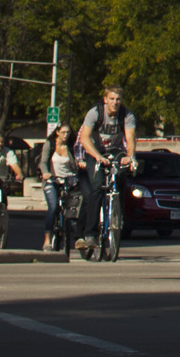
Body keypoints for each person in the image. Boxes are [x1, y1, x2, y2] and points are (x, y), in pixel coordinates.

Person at [76, 84, 138, 254]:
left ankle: (118, 216)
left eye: (118, 99)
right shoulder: (95, 113)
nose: (115, 102)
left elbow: (130, 138)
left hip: (116, 151)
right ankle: (90, 234)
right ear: (105, 100)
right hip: (95, 151)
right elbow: (84, 138)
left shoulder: (127, 115)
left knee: (121, 180)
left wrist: (130, 156)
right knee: (96, 187)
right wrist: (97, 157)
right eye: (112, 99)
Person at [41, 123, 80, 252]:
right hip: (52, 180)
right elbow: (43, 162)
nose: (65, 135)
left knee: (74, 208)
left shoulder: (71, 145)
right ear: (57, 132)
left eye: (68, 132)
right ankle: (47, 239)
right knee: (52, 207)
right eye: (63, 132)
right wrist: (45, 173)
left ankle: (76, 233)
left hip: (69, 180)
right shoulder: (50, 144)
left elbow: (76, 163)